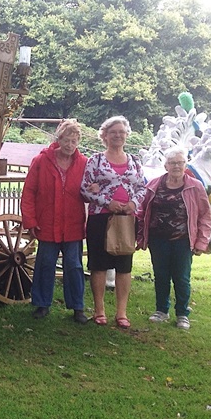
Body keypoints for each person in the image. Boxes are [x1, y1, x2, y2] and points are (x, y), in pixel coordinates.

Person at [136, 147, 211, 330]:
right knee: (160, 275)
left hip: (183, 240)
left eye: (180, 162)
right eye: (172, 163)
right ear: (165, 165)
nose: (176, 166)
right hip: (158, 239)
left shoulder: (196, 186)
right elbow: (142, 212)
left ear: (185, 164)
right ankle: (161, 310)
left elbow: (205, 216)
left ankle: (182, 314)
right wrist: (140, 236)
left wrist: (202, 241)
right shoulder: (153, 185)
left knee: (182, 278)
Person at [80, 116, 146, 328]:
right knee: (98, 266)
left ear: (127, 135)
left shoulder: (135, 161)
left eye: (121, 132)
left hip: (126, 220)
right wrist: (107, 202)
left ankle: (121, 313)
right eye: (113, 132)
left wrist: (133, 204)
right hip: (101, 218)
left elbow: (143, 188)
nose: (117, 135)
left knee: (124, 267)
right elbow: (84, 188)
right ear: (105, 136)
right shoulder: (95, 160)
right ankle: (99, 311)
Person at [21, 119, 89, 322]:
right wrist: (30, 221)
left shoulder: (84, 163)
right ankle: (42, 304)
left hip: (73, 225)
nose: (70, 145)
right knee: (45, 264)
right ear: (58, 139)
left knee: (74, 265)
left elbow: (89, 191)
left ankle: (78, 307)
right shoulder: (41, 161)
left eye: (74, 141)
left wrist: (93, 190)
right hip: (47, 224)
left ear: (78, 142)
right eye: (66, 140)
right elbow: (29, 192)